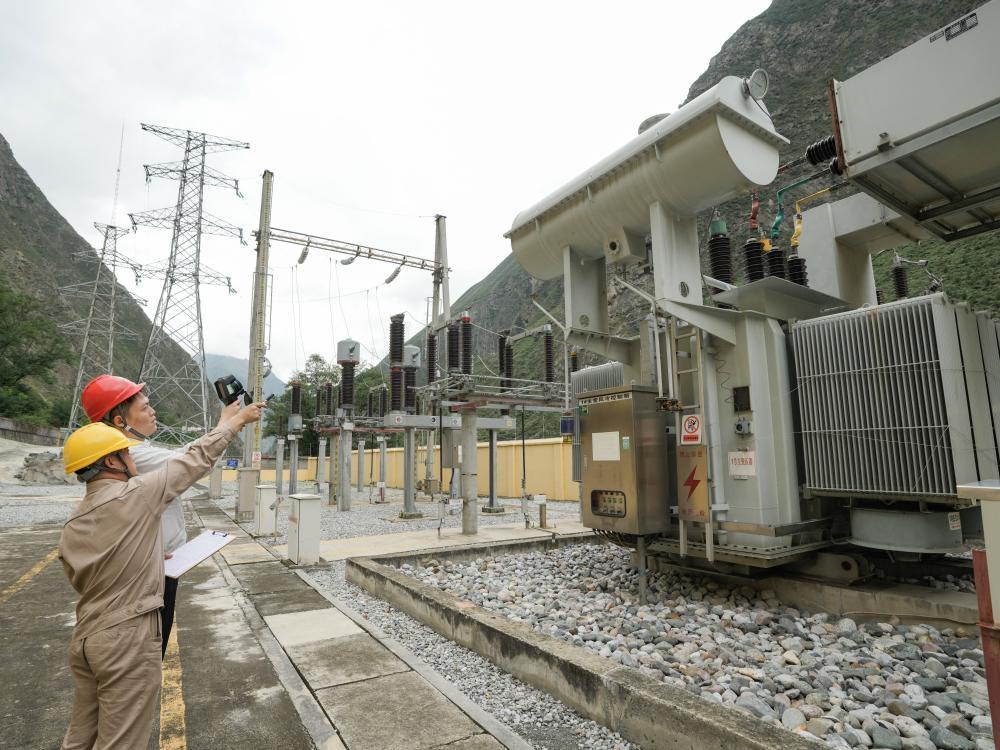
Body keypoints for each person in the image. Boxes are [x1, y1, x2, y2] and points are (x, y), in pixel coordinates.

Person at [59, 398, 263, 749]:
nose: (132, 458)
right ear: (112, 461)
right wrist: (235, 422)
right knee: (122, 741)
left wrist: (148, 556)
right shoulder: (136, 495)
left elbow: (89, 574)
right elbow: (195, 460)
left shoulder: (75, 519)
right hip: (127, 640)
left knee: (81, 736)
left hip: (87, 638)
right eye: (126, 453)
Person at [80, 374, 186, 657]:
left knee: (152, 647)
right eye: (145, 407)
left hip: (158, 562)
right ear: (119, 421)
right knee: (147, 652)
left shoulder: (131, 452)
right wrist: (230, 424)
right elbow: (191, 462)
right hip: (149, 571)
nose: (153, 411)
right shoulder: (130, 454)